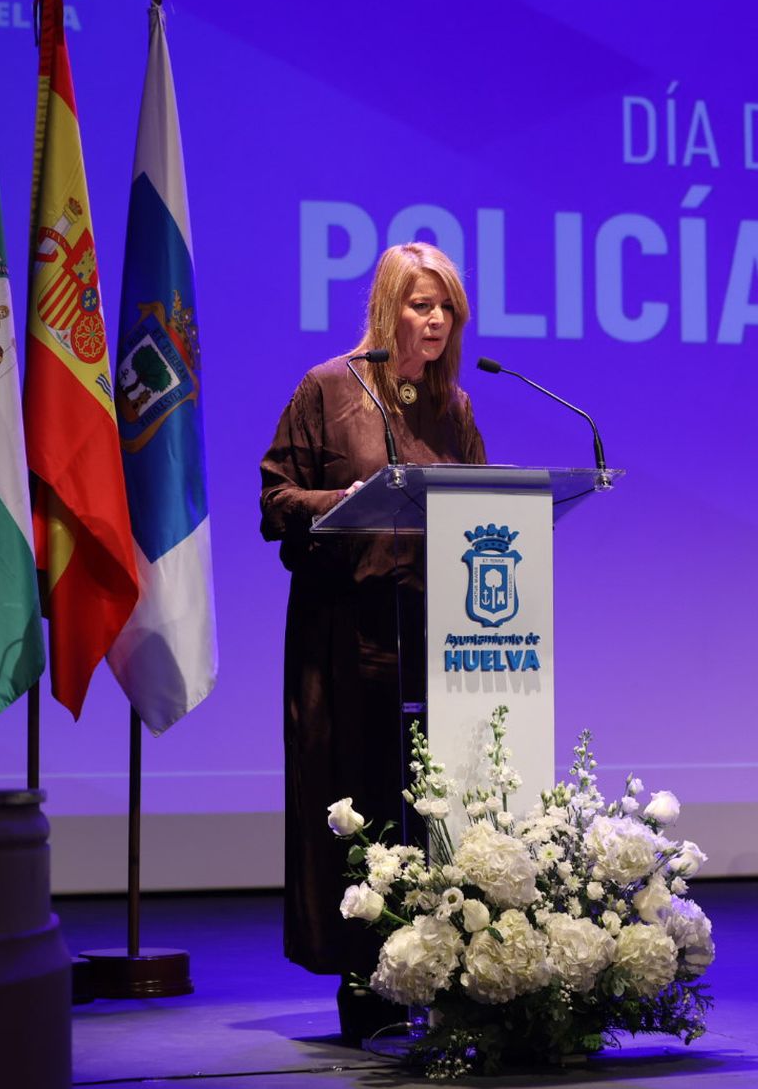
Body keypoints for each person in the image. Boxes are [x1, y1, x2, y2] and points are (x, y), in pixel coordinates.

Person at [259, 242, 486, 1041]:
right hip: (345, 635)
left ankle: (439, 969)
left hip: (435, 636)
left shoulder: (453, 407)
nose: (436, 320)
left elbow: (483, 509)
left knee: (429, 809)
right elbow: (274, 500)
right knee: (362, 808)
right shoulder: (327, 387)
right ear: (390, 305)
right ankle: (365, 980)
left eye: (447, 308)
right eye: (423, 304)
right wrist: (345, 497)